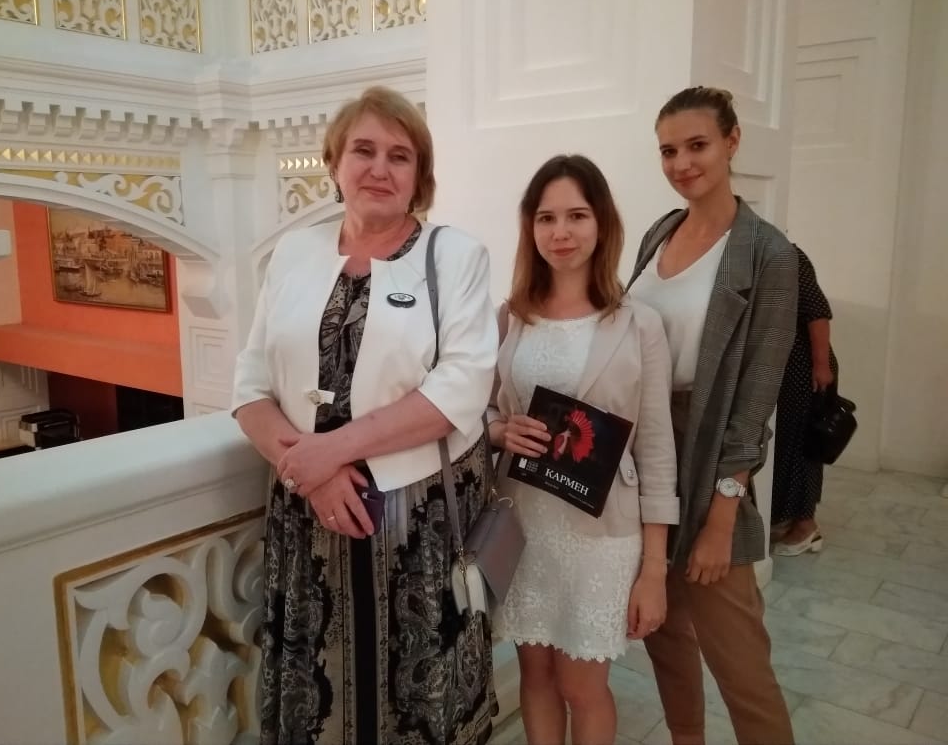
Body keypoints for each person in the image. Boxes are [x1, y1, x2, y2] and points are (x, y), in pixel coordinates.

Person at [231, 85, 499, 745]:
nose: (380, 168)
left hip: (417, 518)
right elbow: (250, 382)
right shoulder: (293, 253)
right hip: (307, 509)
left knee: (419, 695)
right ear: (334, 162)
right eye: (364, 150)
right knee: (318, 690)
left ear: (419, 175)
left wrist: (333, 450)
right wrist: (313, 470)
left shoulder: (456, 256)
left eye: (399, 156)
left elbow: (461, 388)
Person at [488, 154, 679, 745]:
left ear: (602, 223)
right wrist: (499, 431)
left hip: (602, 536)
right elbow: (484, 412)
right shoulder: (511, 318)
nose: (561, 232)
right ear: (530, 227)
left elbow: (656, 447)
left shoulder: (638, 324)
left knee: (582, 686)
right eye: (546, 218)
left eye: (576, 215)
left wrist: (654, 570)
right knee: (536, 677)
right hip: (523, 527)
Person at [626, 86, 797, 745]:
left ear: (731, 142)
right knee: (666, 641)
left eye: (696, 145)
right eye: (668, 150)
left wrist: (722, 517)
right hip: (645, 462)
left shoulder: (768, 253)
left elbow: (756, 398)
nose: (681, 163)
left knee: (741, 665)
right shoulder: (658, 232)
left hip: (708, 457)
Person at [770, 245, 838, 555]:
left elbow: (817, 312)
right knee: (783, 444)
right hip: (782, 370)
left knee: (803, 445)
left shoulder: (790, 257)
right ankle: (787, 515)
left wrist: (821, 365)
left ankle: (806, 525)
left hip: (805, 368)